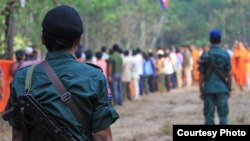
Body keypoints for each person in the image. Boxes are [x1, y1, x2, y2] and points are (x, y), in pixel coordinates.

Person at [4, 5, 119, 141]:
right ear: (78, 40)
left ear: (42, 38)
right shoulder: (95, 77)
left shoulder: (23, 78)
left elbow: (18, 136)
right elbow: (103, 137)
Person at [198, 29, 232, 125]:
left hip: (208, 89)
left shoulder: (205, 55)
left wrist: (201, 90)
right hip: (222, 89)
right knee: (223, 117)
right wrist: (228, 89)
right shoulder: (225, 54)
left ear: (210, 40)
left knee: (209, 117)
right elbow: (229, 74)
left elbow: (201, 76)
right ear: (220, 40)